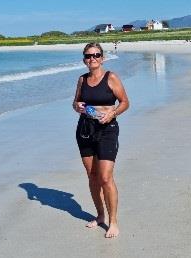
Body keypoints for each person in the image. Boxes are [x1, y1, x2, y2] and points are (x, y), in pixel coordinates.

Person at [72, 43, 130, 238]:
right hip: (85, 130)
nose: (92, 59)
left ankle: (113, 222)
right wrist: (77, 106)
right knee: (93, 176)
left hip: (107, 131)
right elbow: (75, 103)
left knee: (105, 177)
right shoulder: (82, 80)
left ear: (102, 58)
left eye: (96, 55)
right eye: (88, 56)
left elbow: (125, 102)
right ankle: (100, 216)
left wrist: (113, 113)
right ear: (84, 60)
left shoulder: (111, 77)